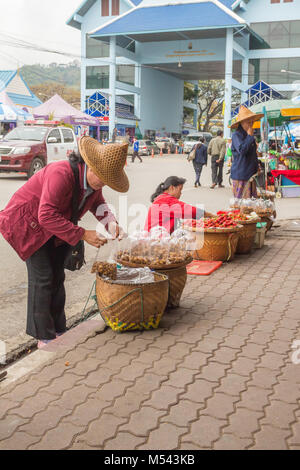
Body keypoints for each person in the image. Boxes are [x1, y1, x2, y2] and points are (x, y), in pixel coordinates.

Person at [0, 137, 129, 349]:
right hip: (29, 225)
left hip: (56, 228)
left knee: (58, 276)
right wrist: (83, 234)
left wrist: (112, 224)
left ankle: (59, 328)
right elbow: (46, 215)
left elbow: (98, 203)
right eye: (101, 177)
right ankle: (44, 336)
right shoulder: (60, 173)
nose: (102, 183)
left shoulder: (94, 183)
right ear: (89, 164)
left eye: (107, 180)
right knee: (43, 278)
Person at [145, 176, 215, 234]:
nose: (181, 193)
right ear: (172, 188)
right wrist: (212, 216)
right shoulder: (166, 200)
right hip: (156, 238)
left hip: (156, 235)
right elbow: (191, 211)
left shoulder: (161, 198)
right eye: (180, 190)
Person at [230, 105, 264, 199]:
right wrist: (249, 136)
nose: (250, 125)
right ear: (242, 122)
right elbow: (242, 150)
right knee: (242, 203)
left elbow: (252, 154)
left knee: (250, 203)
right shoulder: (237, 135)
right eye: (248, 122)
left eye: (251, 122)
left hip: (250, 174)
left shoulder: (250, 136)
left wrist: (257, 166)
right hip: (241, 174)